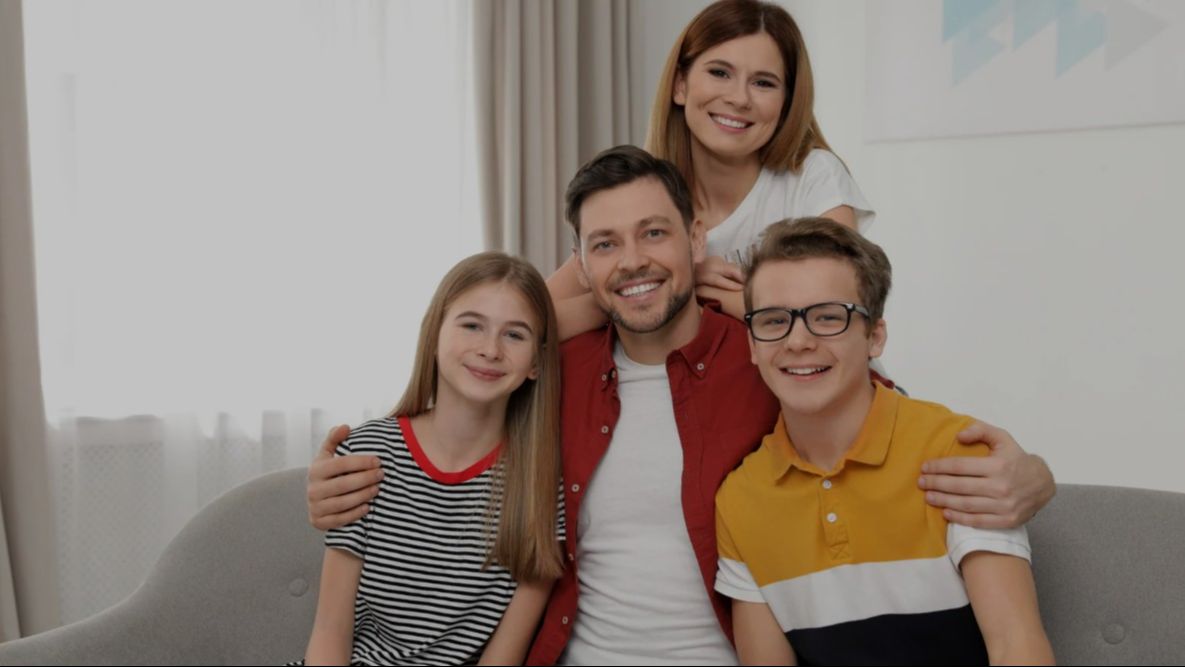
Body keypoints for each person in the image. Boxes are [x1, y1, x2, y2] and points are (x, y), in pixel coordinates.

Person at [717, 218, 1055, 665]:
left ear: (874, 337)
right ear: (752, 344)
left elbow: (1017, 648)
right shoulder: (740, 499)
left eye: (827, 317)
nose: (797, 341)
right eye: (775, 320)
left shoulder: (957, 453)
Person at [547, 0, 874, 339]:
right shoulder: (650, 195)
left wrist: (689, 287)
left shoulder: (814, 176)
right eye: (720, 73)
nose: (739, 98)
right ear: (680, 85)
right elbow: (534, 320)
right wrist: (662, 284)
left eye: (763, 83)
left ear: (787, 102)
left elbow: (833, 314)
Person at [301, 252, 564, 665]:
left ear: (536, 363)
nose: (490, 349)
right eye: (472, 325)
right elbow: (330, 631)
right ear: (435, 336)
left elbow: (503, 658)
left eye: (514, 335)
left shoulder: (540, 483)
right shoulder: (367, 453)